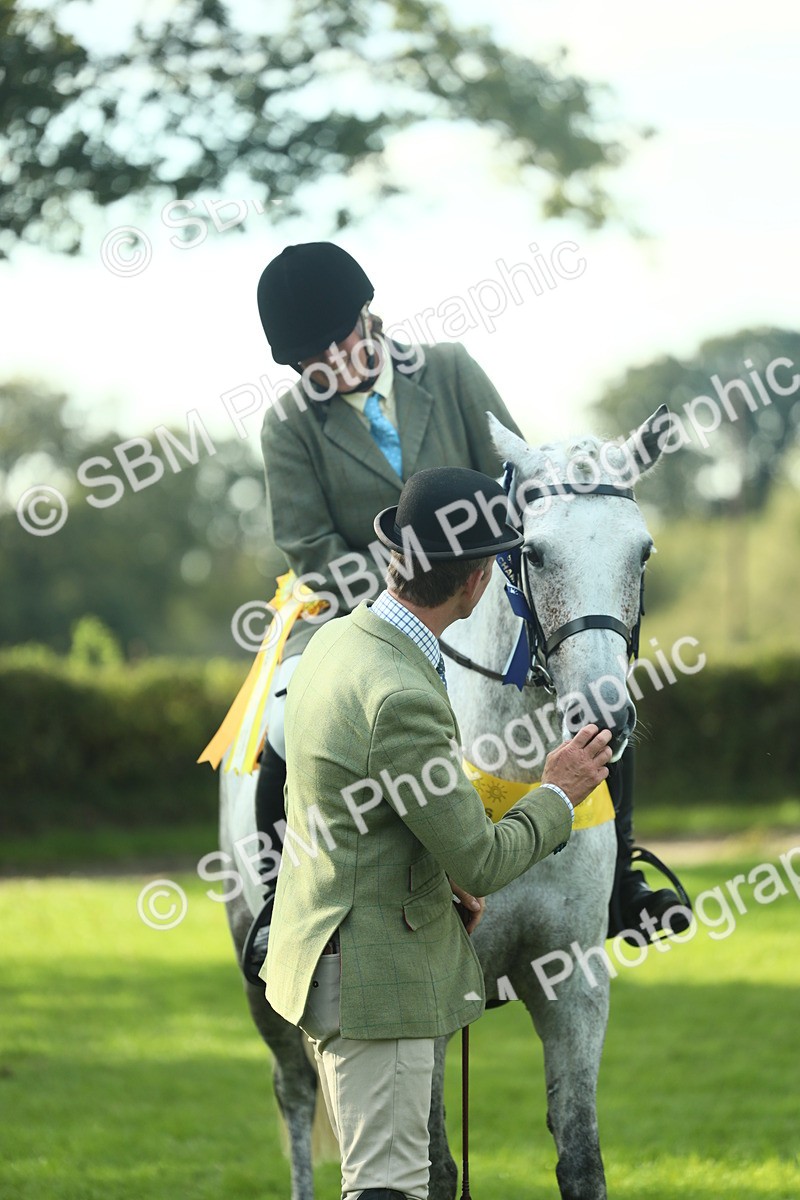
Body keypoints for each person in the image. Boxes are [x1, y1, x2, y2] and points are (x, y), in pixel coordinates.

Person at [241, 240, 687, 982]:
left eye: (335, 346)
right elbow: (309, 544)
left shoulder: (447, 369)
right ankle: (276, 900)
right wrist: (407, 597)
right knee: (284, 721)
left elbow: (520, 477)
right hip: (352, 609)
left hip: (484, 590)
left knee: (597, 687)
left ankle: (623, 879)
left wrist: (474, 581)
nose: (324, 367)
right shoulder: (289, 426)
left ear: (366, 318)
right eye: (305, 362)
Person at [260, 466, 615, 1200]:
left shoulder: (334, 643)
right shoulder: (405, 697)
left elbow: (362, 807)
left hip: (328, 959)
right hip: (375, 985)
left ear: (397, 555)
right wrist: (557, 791)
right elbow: (484, 862)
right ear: (478, 581)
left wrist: (430, 873)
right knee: (389, 1189)